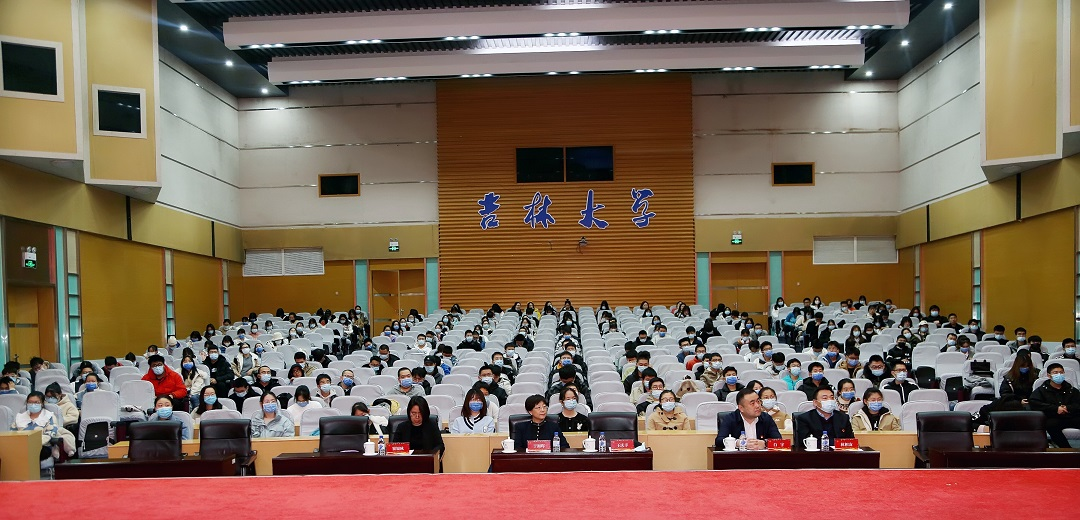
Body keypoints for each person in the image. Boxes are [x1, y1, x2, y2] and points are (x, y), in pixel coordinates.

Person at [1029, 363, 1080, 447]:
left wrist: (1067, 408)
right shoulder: (1041, 390)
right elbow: (1035, 404)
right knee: (1050, 425)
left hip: (1071, 416)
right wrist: (1056, 408)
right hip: (1053, 417)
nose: (1059, 375)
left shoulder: (1071, 389)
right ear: (1049, 375)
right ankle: (1066, 449)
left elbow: (1078, 404)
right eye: (1055, 372)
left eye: (1061, 372)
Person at [715, 388, 782, 449]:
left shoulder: (766, 418)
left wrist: (765, 443)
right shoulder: (730, 419)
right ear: (741, 408)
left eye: (758, 401)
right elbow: (719, 441)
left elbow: (779, 440)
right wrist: (739, 443)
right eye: (752, 403)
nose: (757, 406)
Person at [12, 391, 64, 461]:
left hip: (42, 446)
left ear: (42, 403)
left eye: (36, 402)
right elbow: (12, 432)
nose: (33, 404)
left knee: (34, 453)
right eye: (30, 402)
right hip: (21, 446)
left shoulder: (49, 416)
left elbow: (50, 434)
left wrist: (32, 444)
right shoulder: (19, 417)